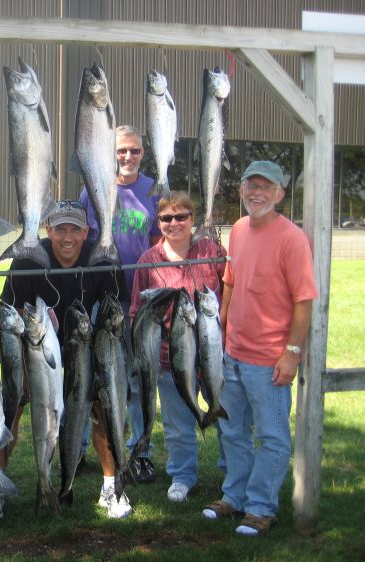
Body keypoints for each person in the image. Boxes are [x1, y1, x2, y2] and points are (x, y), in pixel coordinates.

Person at [202, 161, 317, 536]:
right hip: (232, 354)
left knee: (271, 437)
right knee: (232, 432)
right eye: (251, 185)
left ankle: (261, 508)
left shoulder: (292, 239)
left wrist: (292, 353)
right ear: (241, 191)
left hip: (269, 362)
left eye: (266, 187)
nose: (257, 192)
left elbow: (304, 301)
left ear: (280, 194)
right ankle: (234, 496)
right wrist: (220, 326)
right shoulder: (237, 229)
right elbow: (231, 281)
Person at [0, 200, 132, 519]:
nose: (68, 237)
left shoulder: (103, 257)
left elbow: (118, 308)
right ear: (49, 230)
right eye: (61, 229)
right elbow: (10, 309)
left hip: (85, 347)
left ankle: (111, 487)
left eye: (76, 229)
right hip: (37, 351)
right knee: (11, 412)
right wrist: (29, 354)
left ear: (87, 232)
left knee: (103, 408)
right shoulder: (27, 258)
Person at [129, 191, 226, 503]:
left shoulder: (212, 250)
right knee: (177, 426)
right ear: (159, 222)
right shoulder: (148, 261)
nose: (174, 223)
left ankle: (232, 474)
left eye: (181, 216)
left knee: (228, 422)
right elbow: (136, 310)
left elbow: (233, 292)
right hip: (169, 359)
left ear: (193, 220)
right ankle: (182, 477)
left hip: (213, 358)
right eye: (166, 218)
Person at [79, 125, 162, 483]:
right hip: (103, 297)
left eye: (134, 151)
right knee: (94, 374)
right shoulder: (92, 187)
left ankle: (141, 450)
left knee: (140, 376)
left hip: (140, 298)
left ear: (144, 153)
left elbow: (161, 242)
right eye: (121, 151)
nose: (127, 157)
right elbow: (81, 239)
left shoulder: (154, 191)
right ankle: (79, 447)